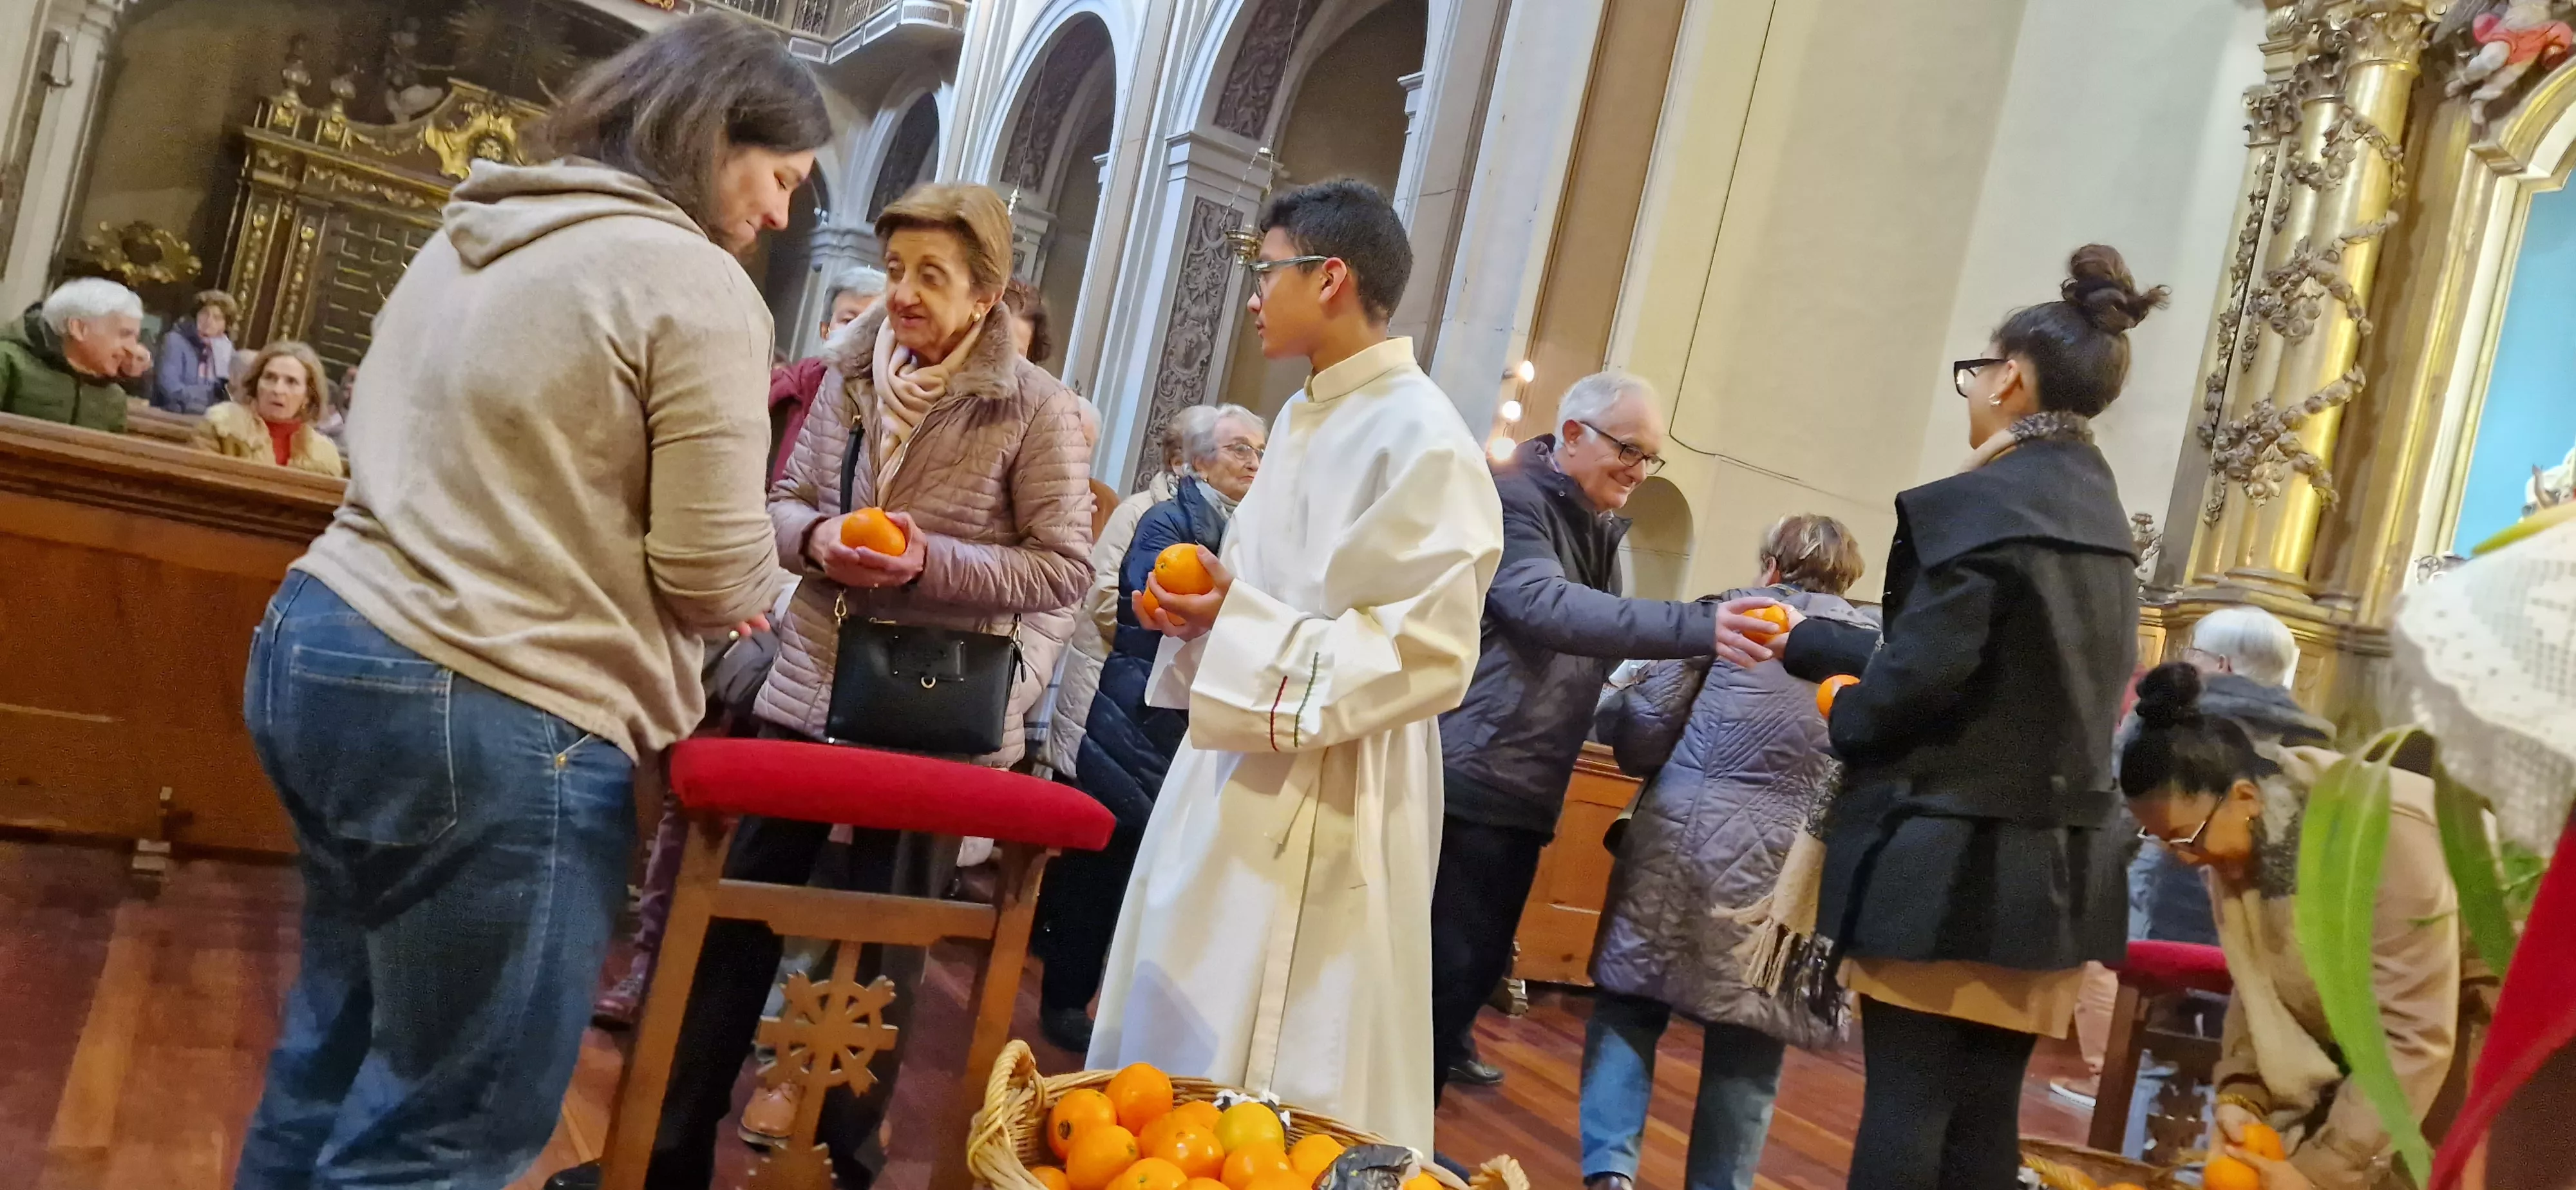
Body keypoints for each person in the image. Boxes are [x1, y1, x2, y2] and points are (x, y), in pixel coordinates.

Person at [233, 14, 826, 1189]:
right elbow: (711, 569)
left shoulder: (473, 233)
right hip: (495, 692)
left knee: (330, 1053)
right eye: (780, 177)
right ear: (715, 133)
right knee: (449, 1125)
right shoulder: (694, 281)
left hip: (321, 638)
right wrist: (772, 581)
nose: (778, 214)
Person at [582, 179, 1092, 1190]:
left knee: (885, 958)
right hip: (808, 689)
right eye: (897, 269)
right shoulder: (846, 372)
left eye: (932, 276)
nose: (903, 294)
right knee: (730, 925)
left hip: (929, 714)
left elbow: (1063, 568)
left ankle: (840, 1165)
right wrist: (818, 539)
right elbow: (780, 503)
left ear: (986, 294)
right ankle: (667, 1154)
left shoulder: (1034, 408)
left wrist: (928, 561)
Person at [1085, 177, 1504, 1153]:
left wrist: (1239, 622)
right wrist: (1205, 615)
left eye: (1266, 270)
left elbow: (1429, 651)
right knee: (1187, 1012)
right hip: (1239, 759)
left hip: (1336, 782)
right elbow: (1276, 592)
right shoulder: (1310, 417)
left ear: (1330, 278)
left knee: (1286, 1058)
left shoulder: (1423, 439)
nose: (1252, 296)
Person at [1773, 245, 2163, 1190]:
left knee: (1906, 1106)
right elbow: (2017, 679)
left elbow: (1915, 689)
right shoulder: (2108, 526)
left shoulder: (1977, 507)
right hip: (2058, 870)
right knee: (1985, 1122)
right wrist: (1839, 654)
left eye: (1978, 371)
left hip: (1945, 862)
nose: (1974, 390)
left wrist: (1846, 702)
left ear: (2011, 379)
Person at [1430, 370, 1783, 1102]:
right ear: (1572, 434)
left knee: (1470, 972)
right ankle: (1398, 1136)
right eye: (1628, 449)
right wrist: (1700, 627)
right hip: (1473, 773)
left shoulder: (1593, 525)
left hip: (1524, 780)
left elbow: (1582, 652)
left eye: (1650, 457)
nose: (1640, 470)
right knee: (1444, 974)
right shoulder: (1514, 499)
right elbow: (1545, 606)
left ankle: (1417, 1115)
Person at [1582, 515, 1875, 1190]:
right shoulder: (1871, 650)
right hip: (1790, 872)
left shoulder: (1727, 617)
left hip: (1681, 845)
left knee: (1630, 1004)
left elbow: (1645, 737)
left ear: (1771, 565)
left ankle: (1610, 1172)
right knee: (1750, 1038)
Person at [2120, 662, 2465, 1190]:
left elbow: (2414, 1036)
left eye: (2186, 839)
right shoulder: (2238, 839)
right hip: (2379, 1035)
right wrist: (2243, 1094)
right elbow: (2259, 982)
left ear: (2245, 798)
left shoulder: (2383, 833)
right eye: (2162, 841)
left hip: (2480, 1013)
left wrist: (2321, 1173)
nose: (2184, 859)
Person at [1036, 403, 1266, 1053]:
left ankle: (1136, 1018)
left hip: (1196, 723)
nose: (1253, 463)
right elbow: (1145, 603)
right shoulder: (1166, 519)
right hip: (1138, 715)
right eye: (1239, 449)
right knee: (1104, 867)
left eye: (1260, 451)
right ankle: (1064, 1000)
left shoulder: (1259, 532)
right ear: (1199, 463)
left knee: (1164, 875)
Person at [1044, 409, 1214, 782]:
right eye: (1210, 452)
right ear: (1179, 462)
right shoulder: (1138, 511)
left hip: (1156, 690)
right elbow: (1102, 594)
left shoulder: (1216, 522)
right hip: (1105, 679)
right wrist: (1158, 635)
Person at [770, 266, 883, 482]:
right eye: (848, 320)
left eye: (870, 324)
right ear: (825, 330)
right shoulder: (791, 387)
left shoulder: (893, 401)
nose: (858, 331)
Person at [1, 277, 147, 433]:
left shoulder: (114, 397)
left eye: (135, 338)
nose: (133, 348)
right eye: (124, 334)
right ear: (78, 328)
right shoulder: (8, 362)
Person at [191, 340, 345, 477]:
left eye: (291, 382)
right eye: (270, 378)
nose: (277, 390)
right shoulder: (222, 427)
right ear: (256, 385)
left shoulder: (323, 457)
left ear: (308, 396)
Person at [149, 289, 240, 415]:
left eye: (217, 318)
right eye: (204, 314)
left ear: (226, 326)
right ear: (195, 316)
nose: (209, 322)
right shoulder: (174, 341)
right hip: (169, 417)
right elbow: (171, 392)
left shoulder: (228, 353)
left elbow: (231, 399)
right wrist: (213, 395)